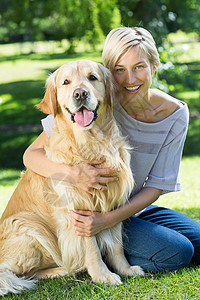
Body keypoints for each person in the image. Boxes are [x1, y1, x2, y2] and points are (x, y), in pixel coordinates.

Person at [23, 26, 200, 273]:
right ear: (109, 74)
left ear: (154, 66)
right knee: (178, 253)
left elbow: (156, 185)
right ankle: (99, 257)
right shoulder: (91, 106)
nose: (130, 79)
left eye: (139, 67)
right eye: (120, 70)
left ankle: (106, 248)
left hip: (134, 206)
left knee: (198, 243)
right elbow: (31, 155)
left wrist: (106, 221)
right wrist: (73, 174)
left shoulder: (175, 113)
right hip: (98, 207)